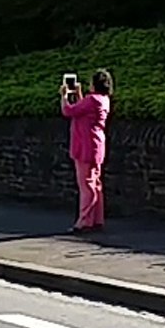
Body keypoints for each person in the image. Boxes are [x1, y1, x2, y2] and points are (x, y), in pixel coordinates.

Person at [60, 69, 112, 233]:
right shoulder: (103, 100)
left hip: (84, 146)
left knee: (86, 185)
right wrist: (80, 94)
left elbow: (69, 111)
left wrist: (63, 96)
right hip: (97, 145)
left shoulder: (91, 100)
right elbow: (83, 110)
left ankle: (84, 222)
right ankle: (97, 218)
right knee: (95, 184)